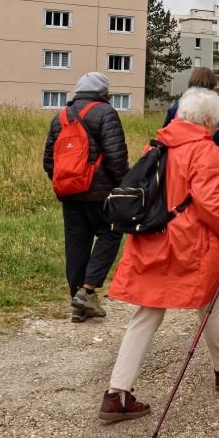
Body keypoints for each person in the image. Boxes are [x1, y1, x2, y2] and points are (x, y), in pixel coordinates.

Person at [99, 88, 219, 421]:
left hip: (152, 239)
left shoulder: (156, 144)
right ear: (209, 120)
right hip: (189, 243)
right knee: (210, 301)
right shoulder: (206, 150)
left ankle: (117, 393)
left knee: (147, 313)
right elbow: (210, 204)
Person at [43, 72, 129, 323]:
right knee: (110, 233)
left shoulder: (60, 117)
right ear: (104, 93)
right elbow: (116, 157)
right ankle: (87, 290)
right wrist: (124, 184)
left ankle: (78, 303)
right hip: (100, 192)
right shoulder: (106, 113)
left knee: (76, 243)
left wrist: (64, 182)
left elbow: (49, 161)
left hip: (69, 192)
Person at [163, 67, 219, 156]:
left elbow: (166, 133)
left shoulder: (178, 104)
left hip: (176, 157)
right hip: (206, 156)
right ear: (212, 85)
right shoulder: (216, 107)